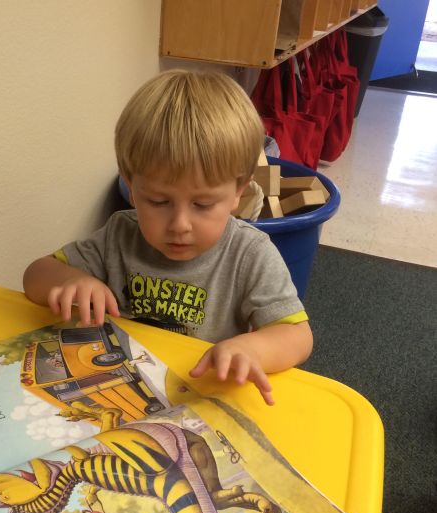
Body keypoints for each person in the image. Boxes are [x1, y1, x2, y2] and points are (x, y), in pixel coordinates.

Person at [24, 69, 313, 406]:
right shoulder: (119, 234)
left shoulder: (250, 253)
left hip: (198, 392)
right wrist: (72, 281)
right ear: (131, 187)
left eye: (203, 204)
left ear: (239, 192)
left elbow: (298, 336)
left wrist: (252, 349)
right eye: (159, 201)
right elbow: (35, 275)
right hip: (121, 387)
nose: (180, 224)